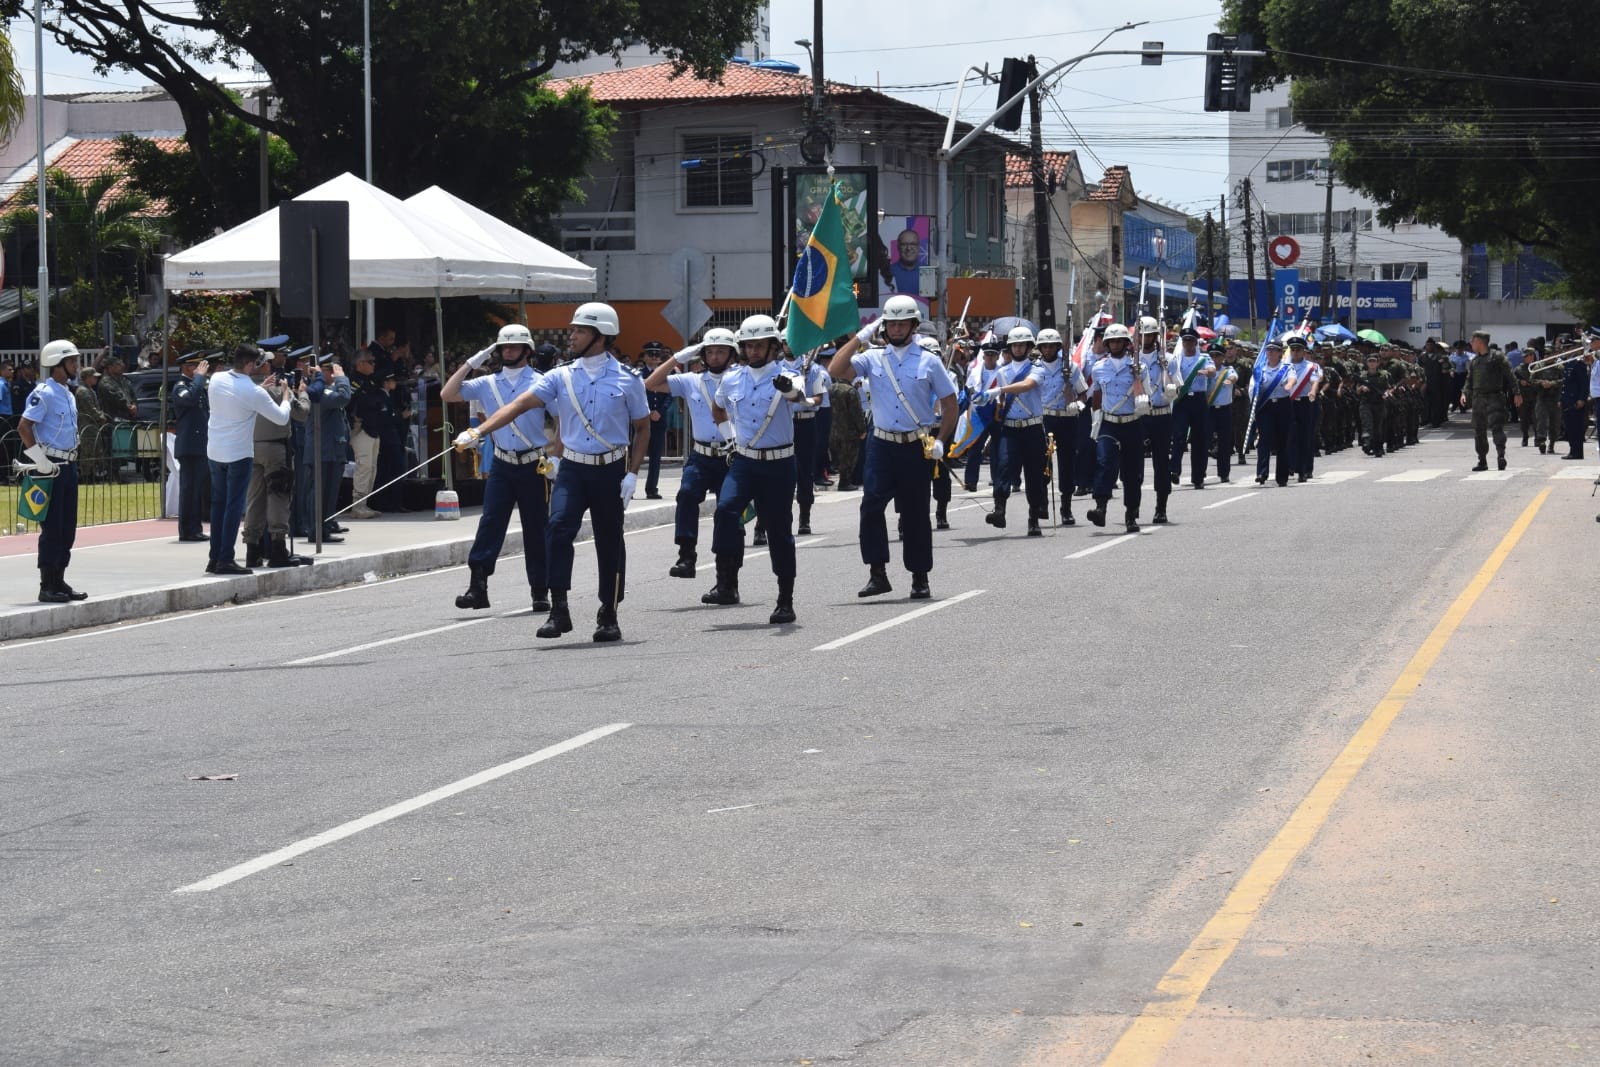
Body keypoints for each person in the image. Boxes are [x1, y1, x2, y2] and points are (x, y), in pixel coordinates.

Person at [457, 302, 648, 643]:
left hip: (609, 470)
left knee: (609, 541)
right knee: (557, 529)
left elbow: (642, 427)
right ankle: (558, 608)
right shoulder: (561, 376)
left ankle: (609, 612)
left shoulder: (628, 380)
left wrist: (632, 473)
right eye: (573, 329)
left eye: (580, 330)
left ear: (600, 337)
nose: (571, 335)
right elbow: (518, 405)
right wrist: (479, 432)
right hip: (572, 468)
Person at [827, 294, 958, 600]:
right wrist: (859, 337)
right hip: (881, 444)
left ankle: (919, 576)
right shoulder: (872, 358)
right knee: (871, 506)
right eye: (892, 324)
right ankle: (877, 573)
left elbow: (950, 404)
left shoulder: (929, 360)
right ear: (884, 327)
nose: (897, 329)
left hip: (915, 445)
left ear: (913, 326)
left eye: (903, 324)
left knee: (915, 513)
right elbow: (836, 369)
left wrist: (941, 441)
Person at [697, 314, 811, 624]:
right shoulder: (733, 378)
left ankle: (785, 599)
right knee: (725, 509)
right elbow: (718, 407)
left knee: (778, 532)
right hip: (745, 460)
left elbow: (800, 397)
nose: (754, 351)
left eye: (760, 345)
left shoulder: (789, 374)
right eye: (749, 346)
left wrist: (788, 389)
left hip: (780, 463)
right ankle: (725, 578)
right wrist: (728, 439)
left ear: (774, 347)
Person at [443, 323, 556, 613]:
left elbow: (563, 418)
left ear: (527, 351)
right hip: (504, 464)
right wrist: (473, 362)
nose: (507, 351)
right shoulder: (488, 383)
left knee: (536, 527)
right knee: (490, 523)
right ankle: (477, 586)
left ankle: (540, 589)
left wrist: (558, 455)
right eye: (503, 347)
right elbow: (448, 393)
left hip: (534, 464)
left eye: (513, 347)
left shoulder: (542, 381)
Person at [644, 327, 738, 579]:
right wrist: (678, 358)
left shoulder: (742, 379)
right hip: (701, 455)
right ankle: (686, 555)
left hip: (733, 455)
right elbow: (651, 383)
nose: (715, 356)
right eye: (710, 352)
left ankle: (726, 576)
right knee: (686, 495)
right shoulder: (692, 381)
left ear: (732, 355)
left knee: (728, 511)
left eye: (721, 351)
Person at [205, 344, 291, 574]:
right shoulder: (254, 392)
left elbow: (236, 394)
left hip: (215, 451)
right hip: (238, 454)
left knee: (218, 505)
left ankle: (214, 558)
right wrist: (286, 397)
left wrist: (258, 389)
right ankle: (225, 559)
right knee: (234, 507)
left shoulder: (217, 379)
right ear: (251, 364)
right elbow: (282, 418)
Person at [18, 340, 89, 602]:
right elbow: (24, 426)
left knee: (67, 527)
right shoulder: (44, 392)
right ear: (57, 365)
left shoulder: (68, 393)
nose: (76, 365)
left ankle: (59, 579)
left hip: (67, 465)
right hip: (49, 465)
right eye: (71, 361)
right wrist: (39, 458)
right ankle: (47, 585)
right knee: (52, 527)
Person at [978, 325, 1049, 536]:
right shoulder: (1002, 372)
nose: (1018, 349)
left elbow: (1027, 386)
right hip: (1010, 428)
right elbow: (1001, 402)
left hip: (1032, 428)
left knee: (1034, 474)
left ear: (1029, 347)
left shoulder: (1037, 368)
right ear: (1009, 348)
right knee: (1004, 468)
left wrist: (999, 390)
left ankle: (1034, 518)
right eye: (1015, 345)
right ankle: (999, 510)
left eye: (1022, 345)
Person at [241, 355, 312, 568]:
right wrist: (302, 392)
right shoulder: (275, 391)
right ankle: (278, 547)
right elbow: (301, 413)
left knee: (255, 499)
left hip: (252, 448)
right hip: (276, 449)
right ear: (264, 367)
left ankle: (252, 549)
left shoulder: (246, 391)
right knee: (278, 497)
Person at [1086, 323, 1146, 533]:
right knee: (1104, 464)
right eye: (1111, 341)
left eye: (1119, 341)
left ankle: (1131, 515)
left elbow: (1143, 394)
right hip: (1109, 423)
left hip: (1131, 423)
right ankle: (1100, 507)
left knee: (1132, 473)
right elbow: (1097, 395)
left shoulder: (1138, 366)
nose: (1114, 344)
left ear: (1126, 343)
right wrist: (1095, 421)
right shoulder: (1099, 367)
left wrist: (1137, 374)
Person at [1032, 327, 1087, 525]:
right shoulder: (1034, 368)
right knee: (1043, 462)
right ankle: (1043, 502)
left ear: (1057, 347)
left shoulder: (1070, 367)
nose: (1048, 349)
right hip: (1044, 418)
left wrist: (1077, 405)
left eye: (1051, 346)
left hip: (1067, 417)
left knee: (1067, 463)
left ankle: (1066, 506)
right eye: (1044, 346)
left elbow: (1083, 393)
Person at [297, 352, 353, 543]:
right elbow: (344, 397)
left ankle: (325, 526)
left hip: (331, 449)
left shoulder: (325, 390)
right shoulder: (320, 392)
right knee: (319, 493)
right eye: (333, 371)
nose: (336, 374)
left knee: (329, 493)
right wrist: (342, 379)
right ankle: (316, 530)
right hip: (323, 450)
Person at [1136, 316, 1177, 523]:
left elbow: (1175, 388)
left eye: (1149, 335)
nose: (1144, 339)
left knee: (1161, 463)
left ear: (1155, 336)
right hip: (1139, 416)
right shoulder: (1132, 359)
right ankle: (1133, 507)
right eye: (1141, 335)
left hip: (1161, 414)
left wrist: (1166, 371)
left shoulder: (1168, 358)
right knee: (1134, 463)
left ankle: (1161, 507)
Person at [1461, 329, 1517, 471]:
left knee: (1497, 427)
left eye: (1473, 341)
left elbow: (1510, 375)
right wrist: (1464, 393)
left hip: (1494, 397)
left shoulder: (1497, 357)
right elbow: (1469, 381)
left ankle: (1501, 456)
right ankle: (1482, 460)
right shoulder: (1475, 361)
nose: (1471, 344)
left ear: (1479, 342)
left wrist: (1517, 393)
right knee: (1479, 431)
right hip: (1478, 399)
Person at [1168, 325, 1216, 489]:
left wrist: (1206, 372)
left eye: (1191, 341)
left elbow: (1212, 370)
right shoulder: (1176, 359)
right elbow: (1168, 375)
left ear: (1196, 343)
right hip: (1181, 400)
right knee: (1179, 436)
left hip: (1198, 400)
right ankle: (1174, 470)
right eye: (1185, 341)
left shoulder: (1203, 358)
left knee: (1199, 439)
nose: (1188, 344)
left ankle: (1198, 476)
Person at [171, 351, 211, 541]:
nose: (200, 370)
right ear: (187, 368)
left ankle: (195, 527)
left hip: (199, 444)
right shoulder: (181, 386)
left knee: (197, 489)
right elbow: (189, 399)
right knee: (189, 489)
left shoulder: (195, 385)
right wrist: (199, 379)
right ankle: (188, 530)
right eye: (196, 366)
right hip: (189, 445)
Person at [1250, 338, 1294, 486]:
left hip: (1283, 405)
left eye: (1274, 350)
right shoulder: (1260, 368)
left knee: (1283, 441)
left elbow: (1292, 379)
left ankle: (1282, 476)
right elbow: (1253, 387)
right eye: (1268, 350)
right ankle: (1262, 473)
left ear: (1280, 353)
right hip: (1266, 407)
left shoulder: (1287, 367)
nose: (1270, 352)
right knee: (1264, 440)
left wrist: (1288, 385)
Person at [346, 348, 384, 520]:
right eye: (370, 362)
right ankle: (357, 505)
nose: (373, 365)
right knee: (363, 467)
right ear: (360, 363)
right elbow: (358, 403)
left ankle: (364, 503)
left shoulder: (370, 381)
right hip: (360, 428)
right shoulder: (353, 381)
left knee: (372, 468)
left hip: (373, 427)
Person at [1284, 333, 1322, 483]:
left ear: (1304, 351)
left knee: (1305, 437)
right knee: (1289, 436)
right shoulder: (1284, 365)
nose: (1295, 352)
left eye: (1298, 350)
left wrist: (1313, 391)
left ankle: (1304, 469)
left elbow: (1315, 381)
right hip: (1288, 403)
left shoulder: (1311, 366)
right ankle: (1290, 466)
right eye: (1292, 350)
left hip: (1306, 403)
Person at [638, 341, 674, 498]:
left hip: (659, 419)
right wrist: (646, 412)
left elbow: (670, 394)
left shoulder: (666, 374)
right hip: (641, 420)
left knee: (655, 456)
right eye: (650, 354)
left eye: (657, 354)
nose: (654, 357)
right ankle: (629, 487)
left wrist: (660, 411)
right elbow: (637, 396)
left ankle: (651, 489)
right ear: (644, 357)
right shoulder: (638, 374)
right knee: (635, 455)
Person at [72, 364, 112, 482]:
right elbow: (91, 409)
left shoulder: (89, 390)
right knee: (88, 451)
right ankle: (87, 476)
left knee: (95, 450)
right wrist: (102, 417)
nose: (96, 379)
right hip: (86, 425)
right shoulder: (83, 391)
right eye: (93, 377)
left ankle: (94, 474)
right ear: (87, 377)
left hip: (93, 426)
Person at [1205, 343, 1238, 482]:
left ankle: (1224, 473)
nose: (1214, 358)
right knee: (1204, 441)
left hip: (1224, 410)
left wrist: (1230, 380)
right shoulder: (1205, 370)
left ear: (1223, 357)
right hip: (1209, 410)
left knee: (1225, 443)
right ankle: (1201, 471)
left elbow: (1234, 377)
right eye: (1211, 355)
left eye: (1217, 355)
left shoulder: (1228, 370)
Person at [829, 372, 867, 492]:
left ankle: (844, 481)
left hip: (834, 429)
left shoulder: (831, 388)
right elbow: (857, 413)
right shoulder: (851, 391)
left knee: (839, 456)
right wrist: (862, 429)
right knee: (849, 457)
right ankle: (845, 482)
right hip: (849, 431)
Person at [1355, 353, 1389, 457]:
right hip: (1366, 403)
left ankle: (1378, 447)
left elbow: (1388, 387)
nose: (1372, 363)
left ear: (1378, 363)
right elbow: (1357, 390)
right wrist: (1362, 388)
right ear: (1367, 363)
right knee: (1367, 424)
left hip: (1379, 403)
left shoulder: (1383, 375)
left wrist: (1386, 393)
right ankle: (1367, 443)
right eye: (1370, 361)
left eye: (1374, 361)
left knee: (1378, 427)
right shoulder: (1362, 376)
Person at [94, 354, 139, 421]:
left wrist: (134, 406)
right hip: (113, 420)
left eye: (121, 364)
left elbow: (132, 395)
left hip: (127, 418)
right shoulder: (105, 382)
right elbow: (116, 398)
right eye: (118, 365)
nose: (121, 366)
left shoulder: (124, 381)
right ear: (110, 367)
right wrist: (129, 408)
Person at [890, 228, 926, 295]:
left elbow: (933, 302)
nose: (908, 248)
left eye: (913, 244)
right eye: (904, 244)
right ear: (898, 247)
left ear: (918, 247)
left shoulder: (928, 272)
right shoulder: (888, 272)